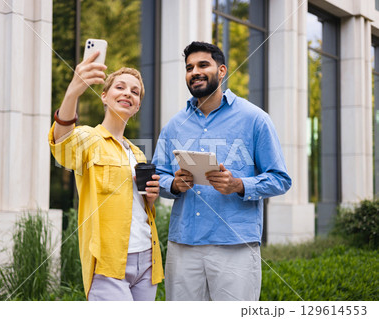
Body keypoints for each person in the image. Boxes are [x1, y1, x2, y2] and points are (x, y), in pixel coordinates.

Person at [152, 41, 291, 301]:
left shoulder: (254, 119)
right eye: (189, 67)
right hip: (183, 246)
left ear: (222, 70)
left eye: (203, 64)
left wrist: (239, 185)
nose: (195, 71)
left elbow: (280, 179)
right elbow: (157, 176)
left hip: (235, 246)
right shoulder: (175, 125)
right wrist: (174, 185)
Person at [49, 51, 164, 301]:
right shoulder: (89, 138)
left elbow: (139, 209)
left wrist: (151, 199)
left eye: (135, 92)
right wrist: (73, 92)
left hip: (147, 260)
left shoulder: (137, 153)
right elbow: (63, 143)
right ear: (104, 96)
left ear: (137, 105)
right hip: (108, 262)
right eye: (120, 87)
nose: (127, 93)